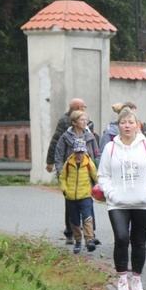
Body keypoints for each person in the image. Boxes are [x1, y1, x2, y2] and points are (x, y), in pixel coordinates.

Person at [97, 107, 146, 290]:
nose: (127, 126)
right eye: (123, 122)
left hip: (142, 202)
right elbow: (103, 175)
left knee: (139, 241)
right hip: (118, 203)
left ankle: (137, 279)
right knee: (122, 238)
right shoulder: (111, 147)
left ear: (137, 125)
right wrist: (111, 193)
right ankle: (122, 281)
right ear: (118, 126)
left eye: (131, 122)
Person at [47, 98, 90, 245]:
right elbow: (56, 142)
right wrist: (53, 164)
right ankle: (70, 231)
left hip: (85, 171)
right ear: (77, 108)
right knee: (71, 203)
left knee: (87, 202)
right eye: (83, 106)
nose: (85, 108)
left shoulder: (88, 125)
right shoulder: (65, 122)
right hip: (69, 170)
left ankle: (89, 234)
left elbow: (94, 149)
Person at [59, 142, 98, 254]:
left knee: (87, 218)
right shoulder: (68, 163)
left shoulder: (89, 163)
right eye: (77, 152)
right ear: (73, 151)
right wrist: (65, 189)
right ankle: (78, 241)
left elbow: (95, 176)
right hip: (71, 197)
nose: (79, 154)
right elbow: (62, 178)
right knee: (74, 221)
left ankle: (89, 240)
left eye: (81, 152)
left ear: (85, 151)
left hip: (85, 195)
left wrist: (99, 189)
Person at [54, 110, 99, 175]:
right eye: (82, 120)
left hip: (87, 175)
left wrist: (95, 173)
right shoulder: (65, 137)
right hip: (70, 174)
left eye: (86, 120)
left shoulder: (90, 136)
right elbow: (58, 157)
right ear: (74, 122)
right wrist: (61, 173)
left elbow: (96, 155)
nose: (85, 122)